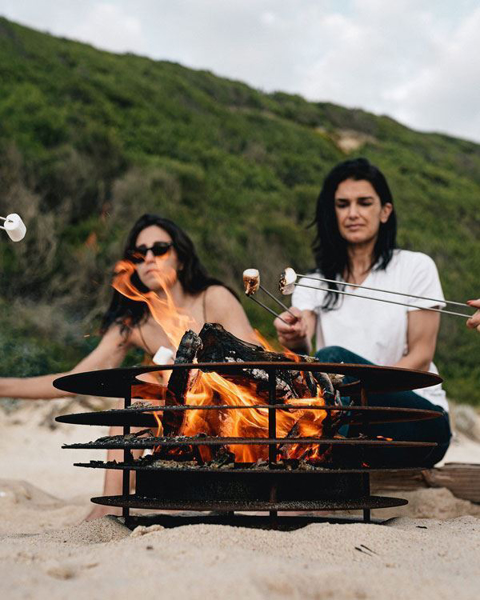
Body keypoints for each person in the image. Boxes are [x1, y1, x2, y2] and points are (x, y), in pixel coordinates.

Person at [0, 213, 257, 518]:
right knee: (136, 407)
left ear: (182, 258)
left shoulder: (213, 299)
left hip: (237, 422)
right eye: (139, 253)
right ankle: (108, 511)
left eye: (160, 249)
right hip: (180, 429)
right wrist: (3, 386)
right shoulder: (134, 322)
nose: (149, 258)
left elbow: (259, 373)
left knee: (155, 389)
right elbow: (76, 378)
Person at [274, 158, 451, 468]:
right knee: (316, 374)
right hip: (352, 425)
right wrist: (295, 331)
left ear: (385, 211)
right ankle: (318, 462)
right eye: (343, 204)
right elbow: (303, 340)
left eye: (364, 202)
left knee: (332, 358)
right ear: (333, 213)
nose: (353, 213)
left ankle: (315, 466)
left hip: (416, 422)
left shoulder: (415, 267)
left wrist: (360, 394)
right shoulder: (315, 282)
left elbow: (421, 357)